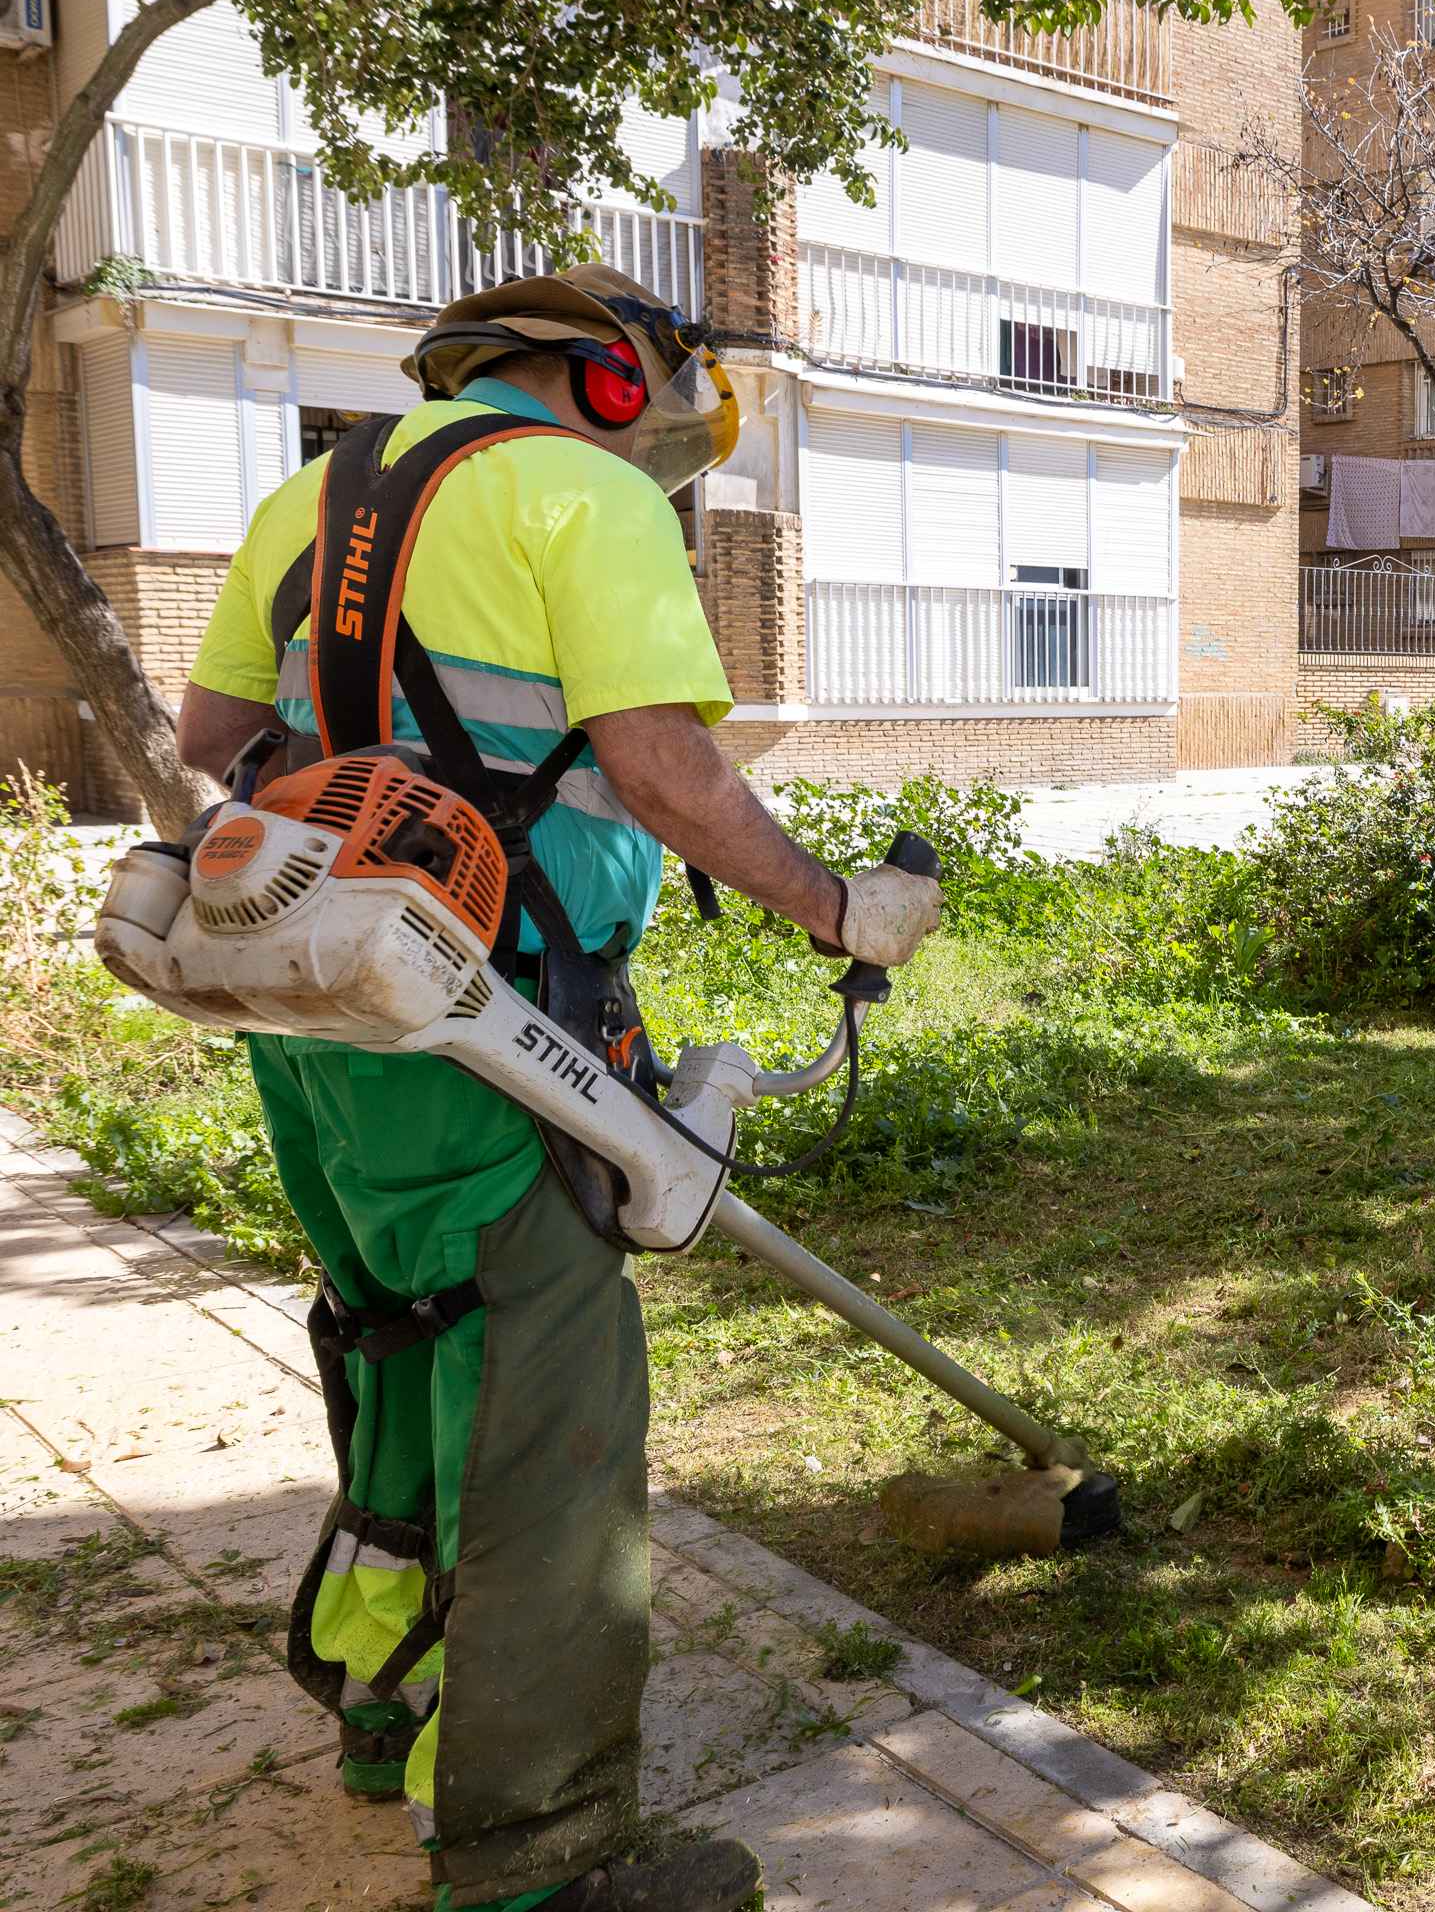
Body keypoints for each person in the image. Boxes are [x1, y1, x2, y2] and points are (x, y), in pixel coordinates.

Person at [175, 264, 941, 1912]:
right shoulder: (584, 498)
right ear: (607, 378)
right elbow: (667, 771)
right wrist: (841, 908)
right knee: (541, 1421)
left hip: (312, 1010)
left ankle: (383, 1712)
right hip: (487, 1019)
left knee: (397, 1343)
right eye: (657, 397)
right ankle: (534, 1865)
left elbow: (209, 730)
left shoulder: (313, 495)